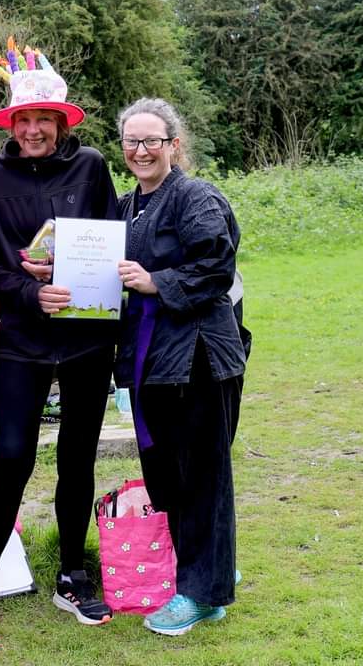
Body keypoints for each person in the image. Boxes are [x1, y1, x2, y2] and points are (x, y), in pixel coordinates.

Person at [0, 48, 119, 643]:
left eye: (44, 121)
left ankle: (73, 574)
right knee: (13, 456)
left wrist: (90, 295)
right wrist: (30, 296)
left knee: (79, 456)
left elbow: (107, 242)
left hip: (85, 340)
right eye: (23, 120)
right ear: (10, 123)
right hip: (24, 339)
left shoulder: (93, 168)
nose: (33, 130)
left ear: (62, 124)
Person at [113, 97, 250, 636]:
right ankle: (209, 573)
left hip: (198, 357)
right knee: (169, 475)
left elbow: (217, 267)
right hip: (152, 359)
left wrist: (156, 282)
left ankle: (200, 593)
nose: (141, 150)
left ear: (174, 145)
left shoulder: (196, 198)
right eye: (132, 141)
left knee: (203, 475)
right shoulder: (130, 206)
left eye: (152, 140)